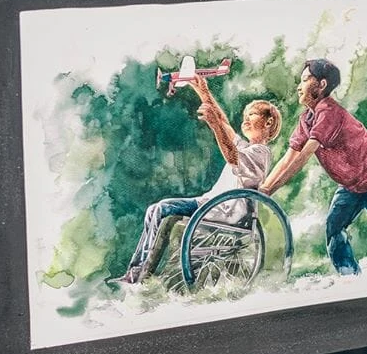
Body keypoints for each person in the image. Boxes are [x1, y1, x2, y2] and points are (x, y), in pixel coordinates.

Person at [260, 59, 367, 275]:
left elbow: (303, 157)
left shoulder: (329, 112)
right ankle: (349, 276)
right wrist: (264, 189)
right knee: (334, 228)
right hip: (350, 184)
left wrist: (268, 192)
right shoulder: (306, 119)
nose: (299, 86)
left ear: (322, 85)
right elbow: (288, 158)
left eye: (305, 80)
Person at [111, 75, 281, 284]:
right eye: (246, 114)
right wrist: (203, 91)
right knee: (155, 209)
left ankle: (141, 273)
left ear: (268, 122)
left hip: (226, 212)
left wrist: (214, 125)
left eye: (252, 114)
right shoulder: (247, 147)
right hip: (210, 204)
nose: (245, 119)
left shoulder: (260, 152)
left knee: (162, 209)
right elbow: (225, 124)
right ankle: (136, 270)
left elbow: (231, 154)